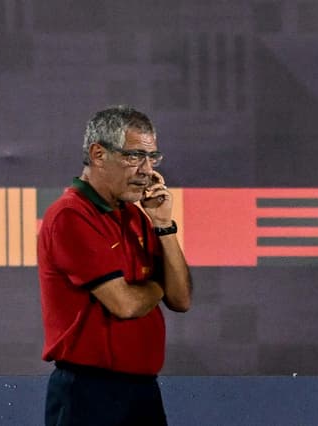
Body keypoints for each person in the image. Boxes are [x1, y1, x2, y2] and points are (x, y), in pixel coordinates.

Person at [37, 105, 192, 425]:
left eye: (153, 158)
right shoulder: (70, 215)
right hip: (89, 395)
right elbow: (124, 304)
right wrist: (157, 285)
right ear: (98, 154)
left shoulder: (136, 216)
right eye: (134, 156)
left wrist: (163, 225)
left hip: (142, 392)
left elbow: (181, 299)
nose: (147, 170)